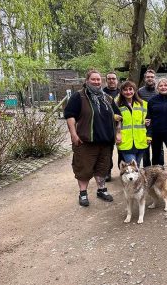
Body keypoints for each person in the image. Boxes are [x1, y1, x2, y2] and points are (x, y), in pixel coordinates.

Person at [64, 69, 121, 207]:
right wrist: (73, 134)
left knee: (102, 168)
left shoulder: (107, 98)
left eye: (98, 80)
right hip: (86, 141)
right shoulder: (79, 97)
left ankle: (101, 190)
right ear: (87, 81)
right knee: (84, 169)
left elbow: (118, 117)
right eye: (93, 79)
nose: (96, 82)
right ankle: (83, 193)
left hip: (106, 141)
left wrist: (118, 132)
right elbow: (70, 115)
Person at [116, 80, 149, 166]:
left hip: (140, 140)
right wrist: (117, 134)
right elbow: (111, 124)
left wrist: (149, 136)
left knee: (136, 166)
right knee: (132, 167)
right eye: (125, 90)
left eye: (130, 89)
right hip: (125, 142)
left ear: (134, 90)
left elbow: (150, 123)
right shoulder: (117, 105)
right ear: (122, 92)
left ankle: (131, 179)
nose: (128, 92)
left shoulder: (143, 104)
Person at [138, 69, 159, 167]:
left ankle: (157, 170)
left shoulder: (159, 91)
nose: (150, 79)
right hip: (144, 125)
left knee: (158, 150)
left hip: (157, 125)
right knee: (145, 151)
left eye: (152, 77)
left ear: (155, 78)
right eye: (148, 77)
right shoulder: (140, 92)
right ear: (144, 78)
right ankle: (147, 171)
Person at [103, 71, 122, 182]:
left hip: (121, 126)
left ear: (117, 80)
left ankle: (122, 170)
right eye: (109, 78)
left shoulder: (122, 93)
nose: (111, 80)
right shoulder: (102, 93)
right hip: (107, 127)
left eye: (113, 78)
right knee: (107, 151)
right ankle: (107, 172)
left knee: (122, 150)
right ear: (106, 80)